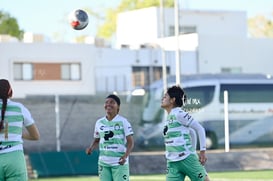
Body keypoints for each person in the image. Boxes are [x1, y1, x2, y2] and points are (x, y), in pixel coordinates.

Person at [161, 85, 209, 181]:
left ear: (172, 100)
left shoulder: (179, 113)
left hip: (187, 159)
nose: (162, 98)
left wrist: (202, 152)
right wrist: (193, 150)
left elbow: (200, 129)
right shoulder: (169, 117)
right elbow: (191, 132)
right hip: (172, 163)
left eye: (165, 96)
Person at [86, 94, 134, 181]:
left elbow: (130, 142)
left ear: (118, 106)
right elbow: (97, 140)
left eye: (112, 102)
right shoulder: (99, 122)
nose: (108, 104)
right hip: (103, 163)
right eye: (106, 102)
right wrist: (91, 148)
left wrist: (125, 156)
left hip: (119, 163)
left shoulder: (123, 121)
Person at [0, 79, 40, 181]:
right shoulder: (20, 108)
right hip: (15, 158)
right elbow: (35, 136)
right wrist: (18, 134)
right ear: (10, 92)